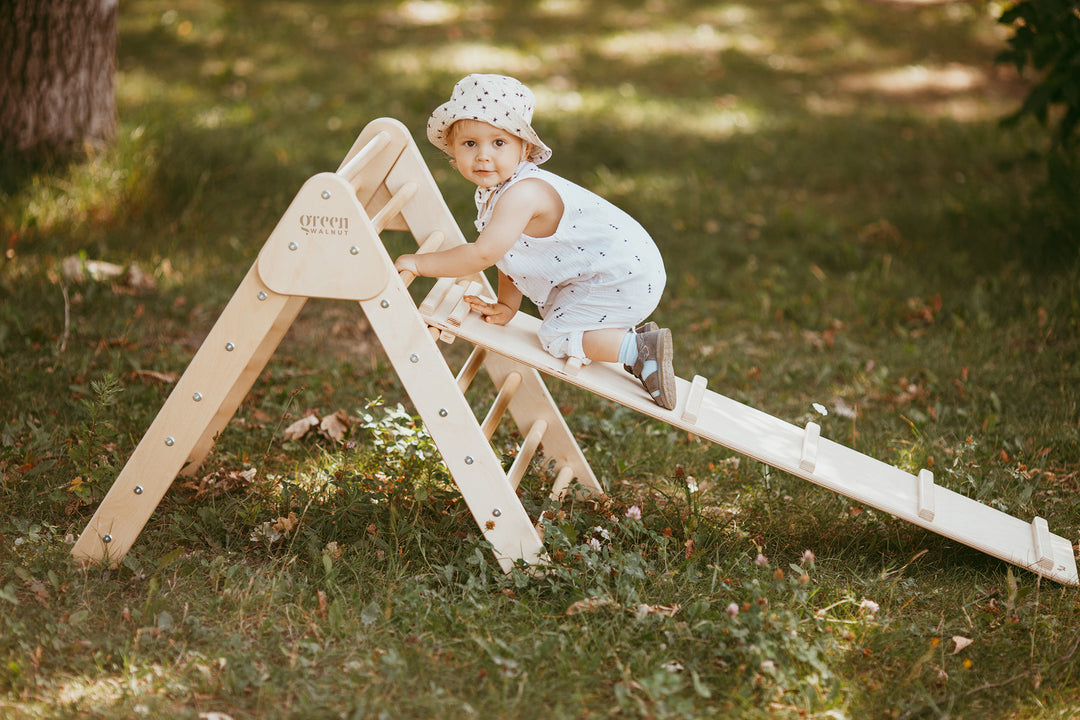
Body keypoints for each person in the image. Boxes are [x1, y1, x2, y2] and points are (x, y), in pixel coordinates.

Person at [394, 74, 677, 410]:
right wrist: (507, 304)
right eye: (470, 144)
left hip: (622, 277)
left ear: (524, 149)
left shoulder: (522, 194)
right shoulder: (499, 190)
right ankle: (634, 341)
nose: (483, 156)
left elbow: (483, 254)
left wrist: (419, 263)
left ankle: (638, 351)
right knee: (559, 318)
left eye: (498, 143)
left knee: (555, 336)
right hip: (619, 270)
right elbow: (511, 254)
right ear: (453, 152)